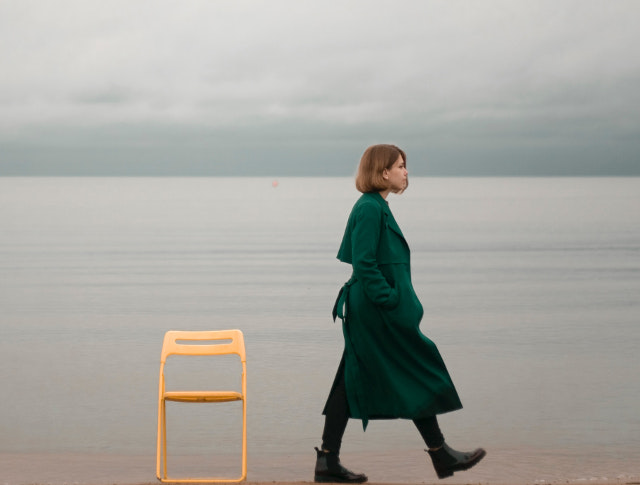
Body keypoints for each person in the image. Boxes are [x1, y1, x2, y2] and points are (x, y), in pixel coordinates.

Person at [314, 144, 486, 483]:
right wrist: (389, 300)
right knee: (414, 369)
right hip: (376, 311)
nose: (406, 172)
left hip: (376, 310)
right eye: (401, 166)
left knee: (356, 379)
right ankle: (441, 454)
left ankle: (329, 461)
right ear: (383, 172)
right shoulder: (369, 208)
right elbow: (364, 262)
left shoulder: (377, 206)